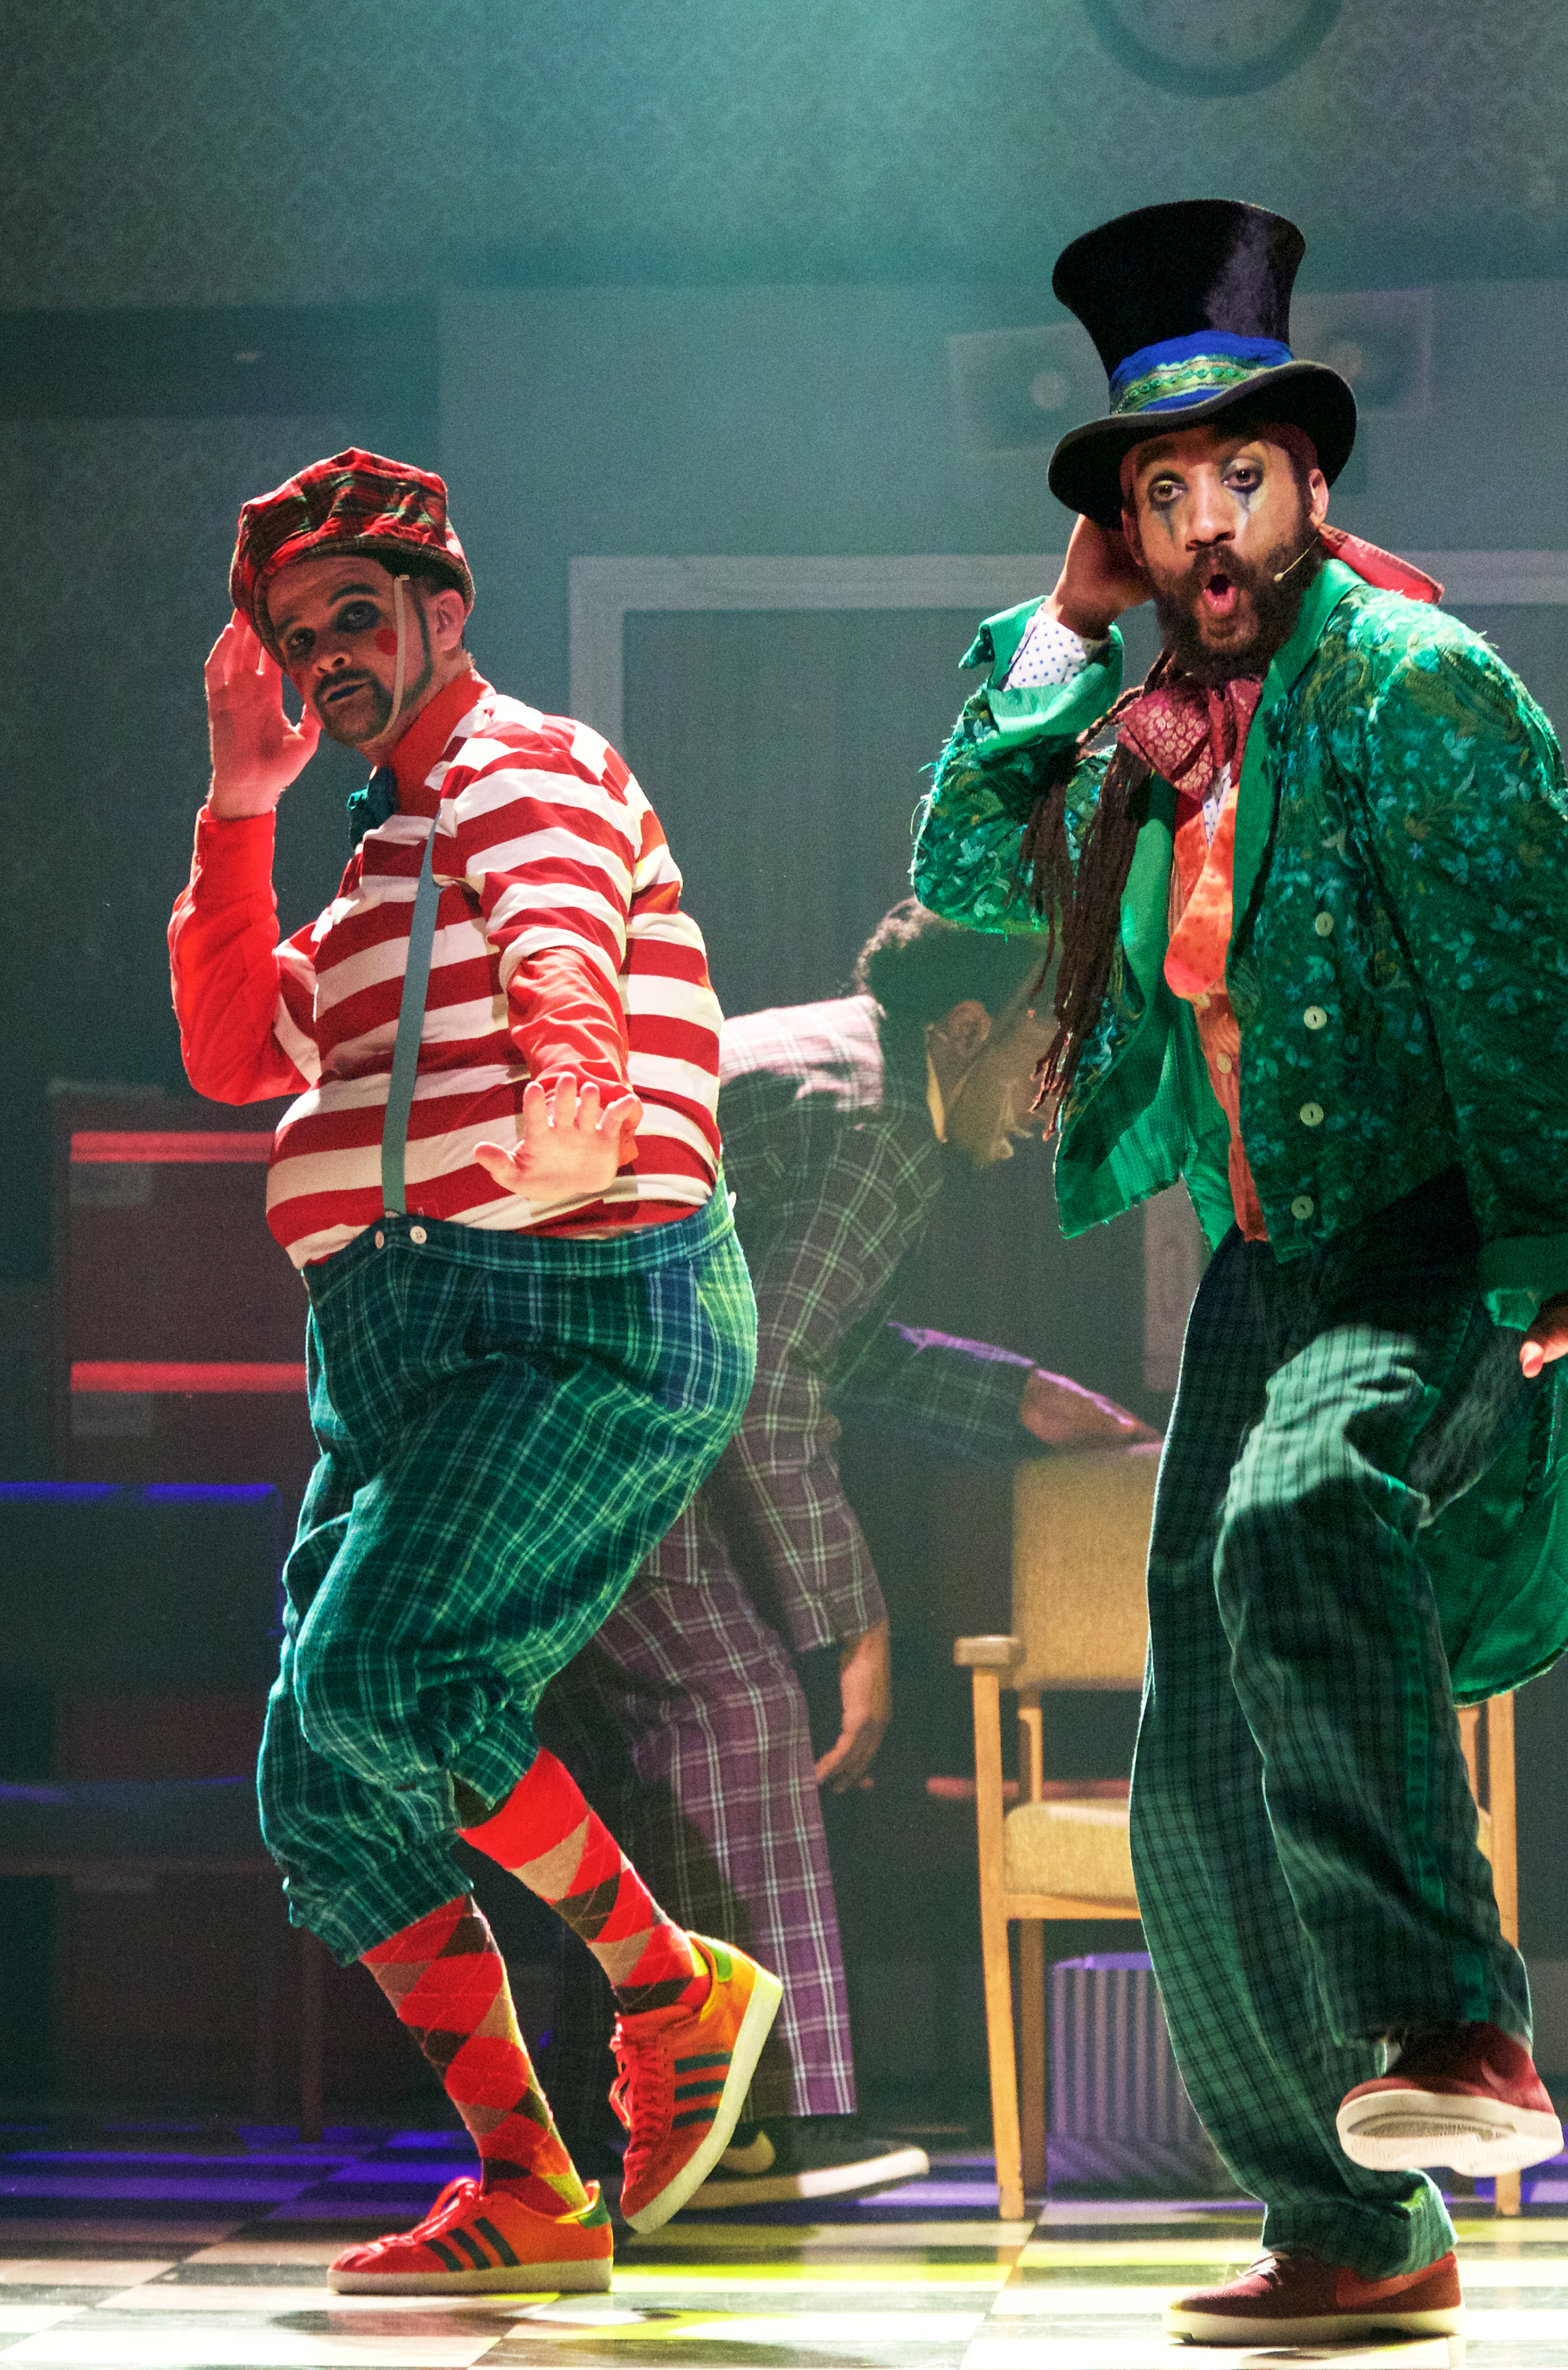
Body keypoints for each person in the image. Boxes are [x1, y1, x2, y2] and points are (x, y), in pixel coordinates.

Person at [911, 199, 1568, 2346]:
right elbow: (965, 865)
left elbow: (1527, 1002)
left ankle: (1456, 2019)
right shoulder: (1159, 719)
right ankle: (1352, 2220)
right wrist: (1061, 636)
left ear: (1312, 484)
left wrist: (1550, 1272)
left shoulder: (1421, 688)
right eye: (1160, 495)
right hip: (1266, 1264)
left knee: (1298, 1513)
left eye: (1237, 478)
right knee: (1185, 1779)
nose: (1204, 527)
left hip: (1432, 1231)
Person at [170, 450, 777, 2297]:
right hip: (399, 1341)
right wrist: (239, 804)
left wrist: (577, 1088)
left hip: (560, 1303)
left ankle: (670, 1987)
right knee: (322, 1779)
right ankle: (531, 2182)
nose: (327, 659)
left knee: (387, 1679)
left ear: (445, 610)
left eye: (355, 617)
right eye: (298, 638)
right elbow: (231, 1047)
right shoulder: (379, 873)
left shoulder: (523, 766)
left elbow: (555, 920)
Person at [539, 902, 1156, 2208]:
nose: (1052, 1094)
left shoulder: (839, 1069)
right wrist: (855, 1623)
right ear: (968, 1027)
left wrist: (1015, 1396)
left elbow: (807, 1336)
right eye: (1046, 1046)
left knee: (702, 1723)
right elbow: (771, 1379)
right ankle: (743, 2133)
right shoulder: (880, 1125)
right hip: (584, 1410)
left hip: (560, 1399)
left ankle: (677, 2123)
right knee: (736, 1704)